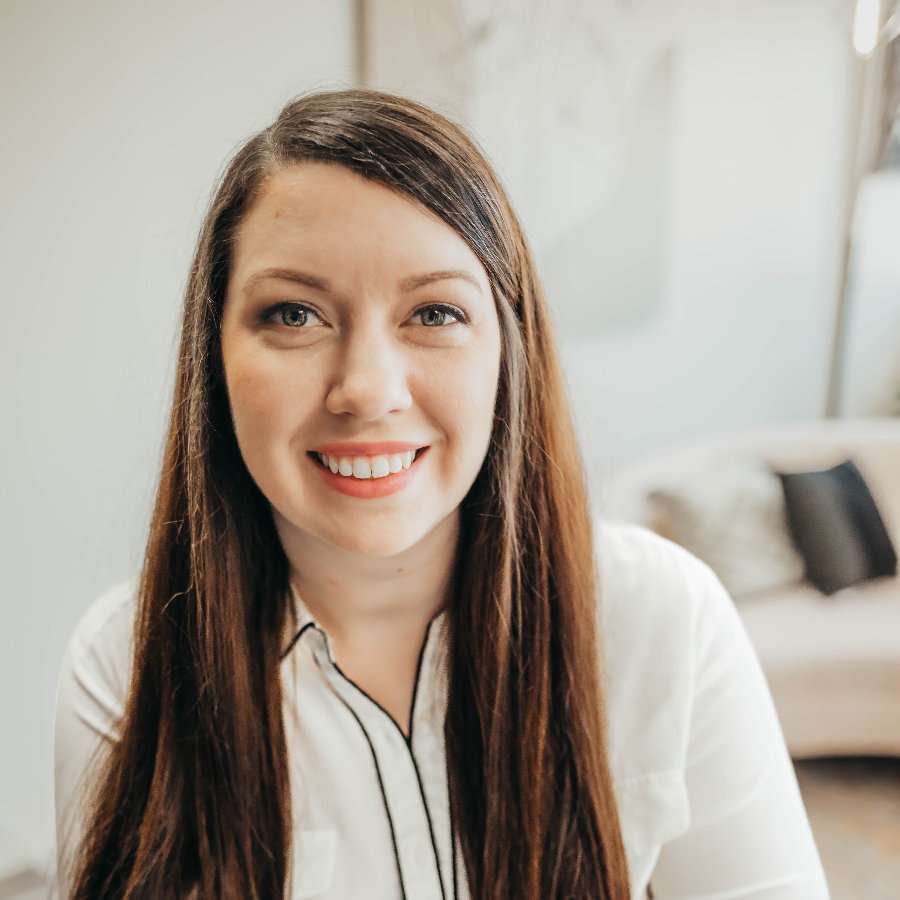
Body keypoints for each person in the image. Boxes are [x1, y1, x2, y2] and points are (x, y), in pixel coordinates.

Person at [54, 89, 829, 900]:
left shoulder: (664, 620)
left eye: (434, 311)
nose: (367, 390)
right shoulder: (126, 665)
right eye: (293, 313)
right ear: (213, 357)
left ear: (508, 351)